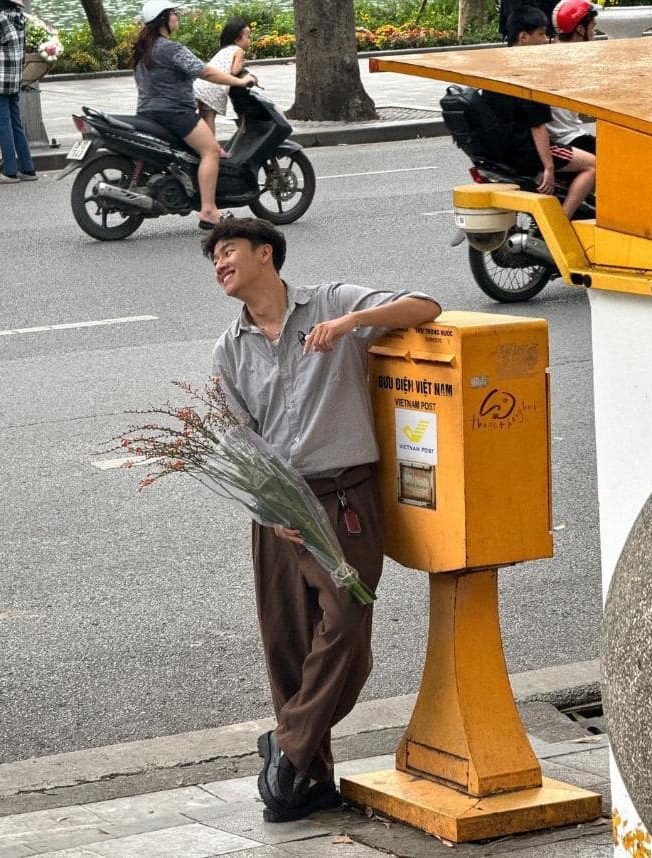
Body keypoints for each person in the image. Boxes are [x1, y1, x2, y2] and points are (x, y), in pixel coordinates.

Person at [203, 217, 442, 823]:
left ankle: (285, 745)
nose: (219, 264)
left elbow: (426, 306)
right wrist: (269, 508)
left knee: (346, 633)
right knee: (287, 644)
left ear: (266, 254)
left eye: (228, 251)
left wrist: (351, 325)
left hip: (344, 503)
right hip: (279, 510)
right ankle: (305, 783)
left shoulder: (331, 302)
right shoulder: (229, 349)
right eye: (213, 259)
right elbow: (238, 439)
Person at [133, 0, 257, 230]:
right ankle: (209, 210)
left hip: (148, 111)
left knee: (192, 153)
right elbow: (206, 72)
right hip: (174, 113)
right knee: (210, 150)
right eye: (173, 14)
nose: (177, 18)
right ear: (164, 20)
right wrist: (239, 81)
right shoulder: (170, 48)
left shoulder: (144, 48)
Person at [482, 5, 595, 218]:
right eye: (541, 34)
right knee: (593, 166)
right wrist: (549, 168)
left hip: (503, 151)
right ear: (523, 37)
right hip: (527, 152)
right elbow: (538, 125)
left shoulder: (497, 67)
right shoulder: (529, 73)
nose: (545, 40)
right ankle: (560, 222)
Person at [0, 0, 37, 185]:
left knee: (3, 126)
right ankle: (28, 168)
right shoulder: (20, 18)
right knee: (15, 124)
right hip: (14, 80)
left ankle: (10, 172)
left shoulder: (1, 20)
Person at [547, 0, 598, 153]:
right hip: (565, 137)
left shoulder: (553, 51)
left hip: (559, 134)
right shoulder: (575, 58)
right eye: (593, 27)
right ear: (581, 29)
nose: (594, 32)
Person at [193, 17, 251, 138]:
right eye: (248, 37)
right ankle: (212, 147)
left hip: (201, 86)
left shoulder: (224, 50)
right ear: (237, 39)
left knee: (202, 116)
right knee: (209, 117)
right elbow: (235, 70)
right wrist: (244, 70)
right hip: (214, 88)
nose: (249, 40)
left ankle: (202, 145)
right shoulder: (238, 50)